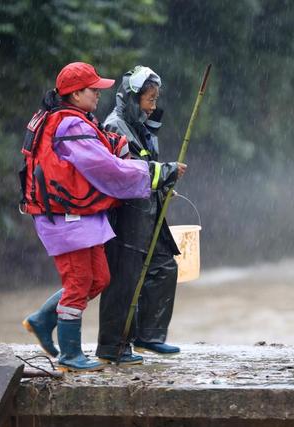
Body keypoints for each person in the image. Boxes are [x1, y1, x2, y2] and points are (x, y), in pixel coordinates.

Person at [19, 62, 185, 372]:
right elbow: (105, 168)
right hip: (65, 217)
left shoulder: (82, 120)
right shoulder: (69, 125)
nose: (98, 93)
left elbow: (106, 146)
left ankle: (43, 320)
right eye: (93, 89)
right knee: (80, 281)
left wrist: (124, 149)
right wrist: (155, 172)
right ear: (75, 93)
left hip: (84, 215)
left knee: (100, 279)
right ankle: (70, 354)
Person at [95, 66, 184, 365]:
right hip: (127, 215)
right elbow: (128, 173)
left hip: (149, 212)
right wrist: (168, 171)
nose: (153, 106)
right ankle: (113, 347)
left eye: (156, 99)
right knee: (124, 279)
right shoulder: (115, 126)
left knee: (164, 267)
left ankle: (150, 336)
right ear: (133, 98)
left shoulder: (141, 125)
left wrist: (164, 180)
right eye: (149, 99)